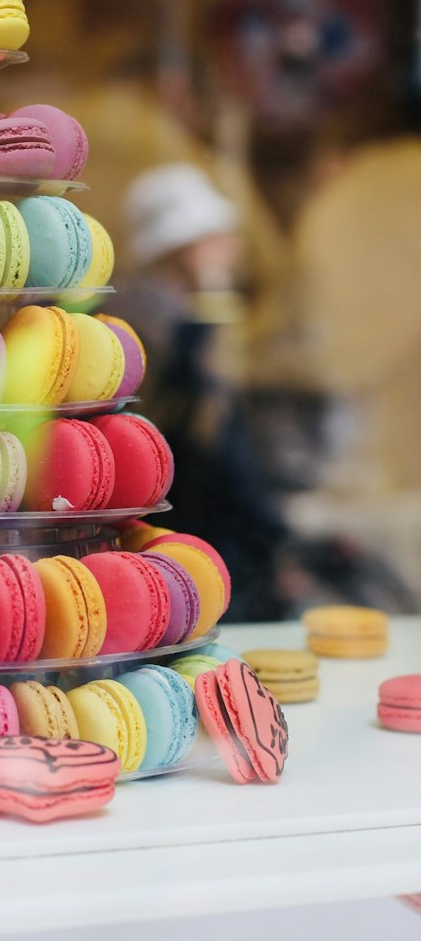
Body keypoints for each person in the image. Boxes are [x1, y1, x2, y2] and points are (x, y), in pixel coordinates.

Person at [112, 162, 290, 620]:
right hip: (198, 529)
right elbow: (216, 448)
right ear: (186, 248)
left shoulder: (146, 317)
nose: (231, 247)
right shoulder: (180, 330)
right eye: (216, 237)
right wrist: (273, 534)